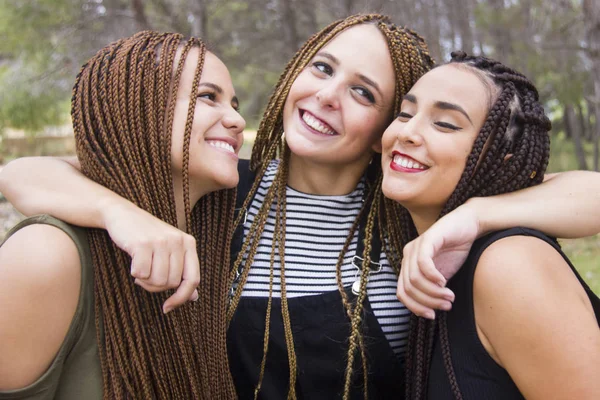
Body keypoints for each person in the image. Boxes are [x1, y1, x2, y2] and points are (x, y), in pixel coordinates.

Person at [2, 14, 600, 399]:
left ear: (385, 129)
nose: (328, 95)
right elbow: (25, 173)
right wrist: (119, 213)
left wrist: (476, 214)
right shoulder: (217, 192)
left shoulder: (409, 217)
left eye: (363, 92)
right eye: (322, 67)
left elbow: (583, 191)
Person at [0, 31, 245, 399]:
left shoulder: (214, 243)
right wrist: (116, 212)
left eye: (235, 104)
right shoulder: (49, 253)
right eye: (208, 97)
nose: (238, 121)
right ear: (138, 111)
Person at [381, 51, 600, 399]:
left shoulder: (509, 263)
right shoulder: (408, 239)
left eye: (446, 124)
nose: (407, 132)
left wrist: (475, 213)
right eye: (405, 114)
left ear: (501, 158)